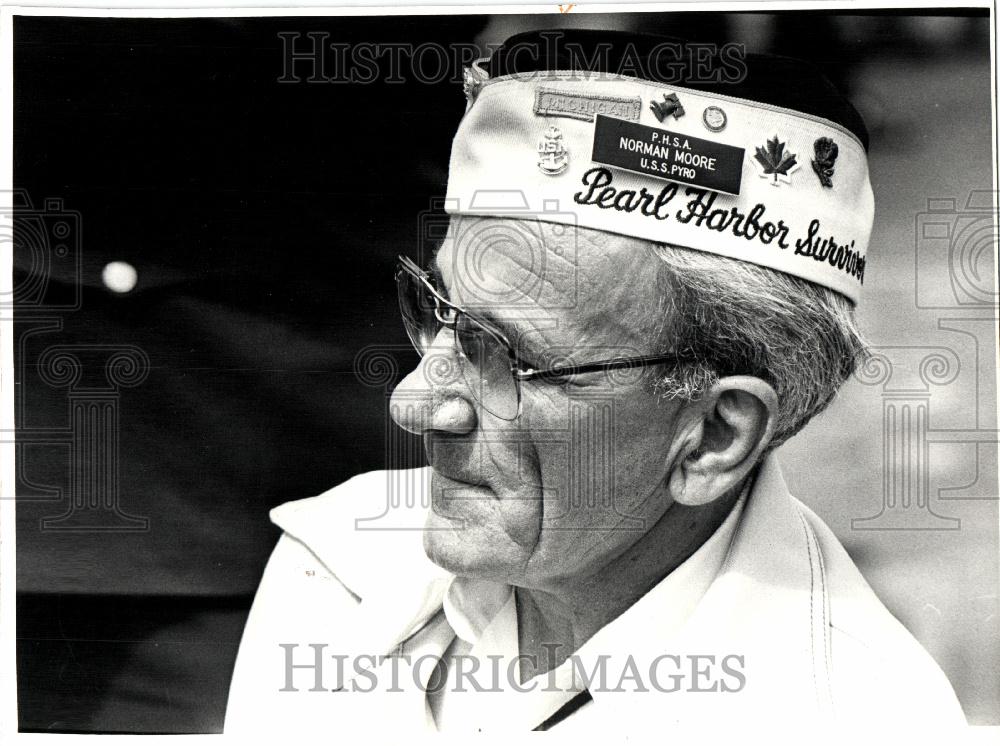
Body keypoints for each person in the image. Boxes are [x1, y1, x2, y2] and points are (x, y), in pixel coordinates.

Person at [225, 29, 966, 731]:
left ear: (712, 435)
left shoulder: (851, 717)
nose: (415, 402)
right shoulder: (338, 569)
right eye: (436, 310)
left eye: (506, 356)